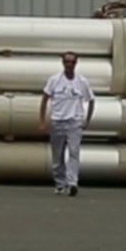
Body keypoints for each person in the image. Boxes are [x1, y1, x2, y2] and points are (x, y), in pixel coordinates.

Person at [38, 51, 96, 196]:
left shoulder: (82, 81)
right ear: (63, 63)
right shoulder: (54, 80)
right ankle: (60, 183)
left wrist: (87, 120)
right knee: (57, 155)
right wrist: (43, 121)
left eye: (72, 62)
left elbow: (91, 100)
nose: (69, 65)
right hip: (57, 121)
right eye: (67, 62)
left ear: (76, 63)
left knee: (74, 152)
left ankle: (72, 182)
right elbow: (44, 99)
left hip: (74, 121)